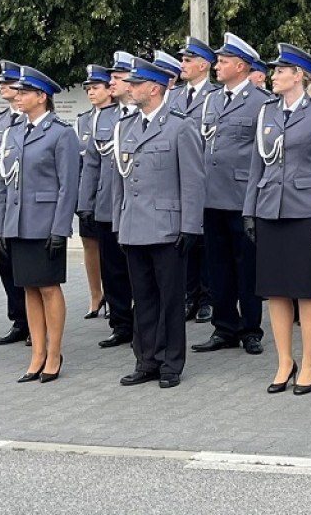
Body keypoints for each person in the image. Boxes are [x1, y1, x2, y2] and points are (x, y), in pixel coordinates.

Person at [243, 43, 311, 395]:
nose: (274, 76)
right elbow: (257, 166)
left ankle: (308, 362)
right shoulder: (267, 113)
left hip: (304, 212)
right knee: (275, 291)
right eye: (274, 70)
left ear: (299, 75)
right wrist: (249, 211)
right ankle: (284, 361)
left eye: (281, 71)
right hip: (270, 210)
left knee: (306, 292)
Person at [114, 58, 204, 389]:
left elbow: (194, 181)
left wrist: (190, 226)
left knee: (170, 299)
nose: (129, 88)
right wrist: (119, 224)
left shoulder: (180, 125)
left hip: (167, 227)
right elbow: (119, 181)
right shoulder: (127, 126)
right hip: (135, 225)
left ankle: (170, 363)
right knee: (144, 298)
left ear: (154, 88)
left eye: (136, 84)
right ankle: (146, 359)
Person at [0, 67, 79, 384]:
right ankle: (36, 354)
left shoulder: (61, 133)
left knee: (48, 287)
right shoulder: (16, 131)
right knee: (29, 288)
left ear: (41, 96)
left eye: (23, 92)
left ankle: (55, 353)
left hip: (46, 224)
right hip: (19, 223)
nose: (17, 96)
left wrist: (60, 229)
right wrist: (5, 225)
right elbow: (8, 183)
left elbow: (68, 186)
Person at [192, 33, 268, 356]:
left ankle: (251, 329)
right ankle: (224, 327)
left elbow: (264, 155)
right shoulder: (211, 100)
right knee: (217, 266)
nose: (217, 66)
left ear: (240, 66)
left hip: (241, 197)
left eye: (223, 61)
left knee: (246, 266)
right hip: (211, 197)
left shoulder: (261, 102)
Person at [78, 52, 137, 349]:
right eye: (111, 77)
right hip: (106, 206)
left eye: (117, 77)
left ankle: (143, 321)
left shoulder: (143, 114)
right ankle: (121, 323)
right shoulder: (105, 118)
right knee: (112, 269)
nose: (111, 82)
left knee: (136, 268)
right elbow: (92, 165)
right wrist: (85, 204)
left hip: (136, 207)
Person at [172, 36, 220, 324]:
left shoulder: (213, 96)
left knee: (205, 244)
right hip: (179, 180)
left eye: (188, 60)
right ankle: (189, 296)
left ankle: (206, 298)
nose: (183, 65)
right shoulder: (174, 97)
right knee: (185, 241)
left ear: (204, 65)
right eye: (183, 60)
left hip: (208, 179)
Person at [0, 60, 30, 346]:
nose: (1, 87)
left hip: (25, 206)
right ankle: (19, 320)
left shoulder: (31, 118)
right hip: (2, 204)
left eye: (5, 83)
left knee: (26, 266)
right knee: (7, 266)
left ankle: (34, 321)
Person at [75, 64, 114, 319]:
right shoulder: (82, 121)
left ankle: (115, 295)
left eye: (96, 87)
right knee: (89, 245)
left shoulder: (119, 115)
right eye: (88, 88)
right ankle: (95, 296)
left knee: (113, 251)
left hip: (111, 194)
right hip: (89, 194)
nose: (91, 92)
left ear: (109, 89)